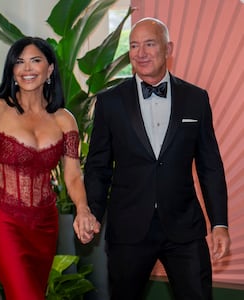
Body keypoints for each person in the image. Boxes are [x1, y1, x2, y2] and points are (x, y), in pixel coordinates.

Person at [84, 17, 231, 300]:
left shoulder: (196, 99)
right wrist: (92, 212)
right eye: (134, 45)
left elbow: (210, 166)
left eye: (149, 44)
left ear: (168, 48)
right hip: (128, 228)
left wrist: (219, 224)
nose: (140, 53)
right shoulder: (109, 102)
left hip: (184, 227)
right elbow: (98, 167)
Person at [0, 36, 97, 300]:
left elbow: (73, 175)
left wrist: (83, 209)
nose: (27, 68)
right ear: (12, 69)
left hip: (45, 224)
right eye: (19, 62)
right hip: (5, 221)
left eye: (35, 61)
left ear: (50, 69)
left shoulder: (65, 120)